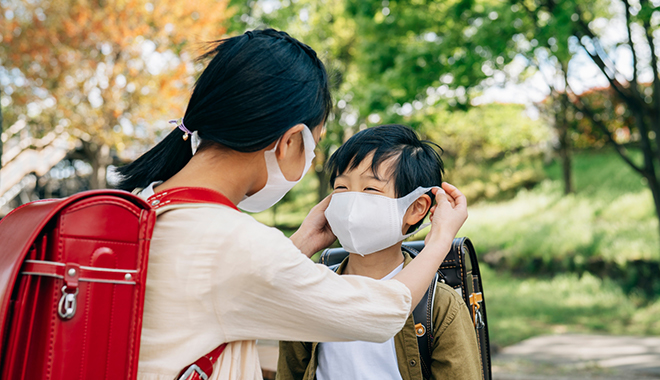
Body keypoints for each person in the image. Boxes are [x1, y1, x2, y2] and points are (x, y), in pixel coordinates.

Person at [116, 29, 468, 380]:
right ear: (289, 142)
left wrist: (299, 246)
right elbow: (382, 313)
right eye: (312, 145)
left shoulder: (141, 207)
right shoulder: (237, 242)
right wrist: (441, 239)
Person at [276, 125, 482, 380]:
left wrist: (441, 237)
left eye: (370, 189)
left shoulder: (438, 306)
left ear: (417, 207)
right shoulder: (310, 289)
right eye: (341, 188)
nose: (351, 202)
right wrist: (303, 240)